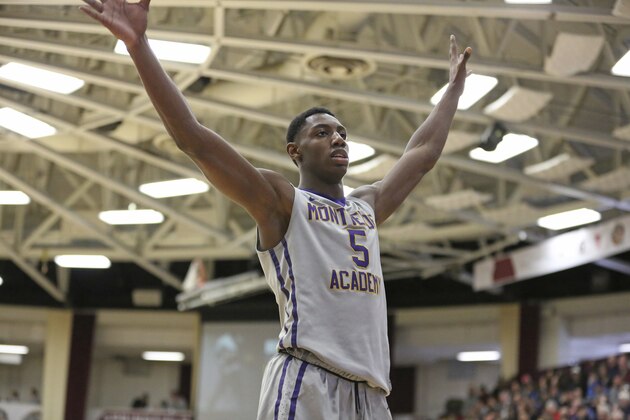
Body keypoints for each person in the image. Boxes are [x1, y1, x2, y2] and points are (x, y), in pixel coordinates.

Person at [79, 0, 471, 418]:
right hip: (308, 379)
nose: (338, 139)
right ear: (295, 152)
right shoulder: (281, 201)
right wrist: (139, 45)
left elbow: (424, 152)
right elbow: (194, 140)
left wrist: (453, 91)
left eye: (342, 133)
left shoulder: (366, 207)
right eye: (323, 133)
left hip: (371, 394)